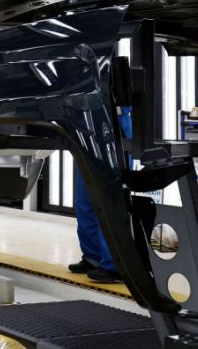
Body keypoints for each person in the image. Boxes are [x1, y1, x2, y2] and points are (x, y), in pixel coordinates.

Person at [68, 105, 132, 283]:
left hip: (112, 121)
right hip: (85, 124)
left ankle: (115, 265)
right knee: (85, 202)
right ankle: (92, 257)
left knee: (110, 200)